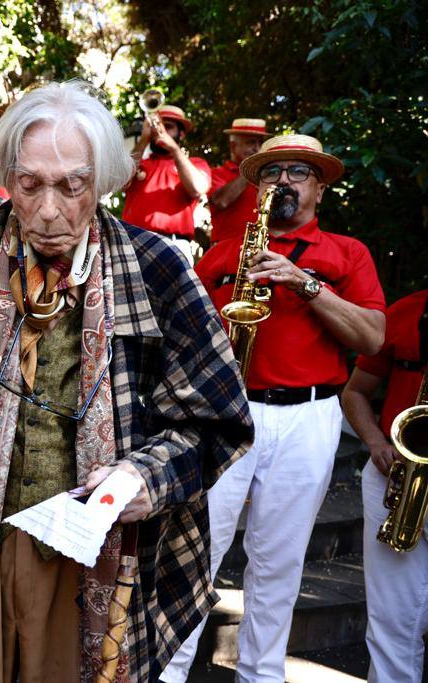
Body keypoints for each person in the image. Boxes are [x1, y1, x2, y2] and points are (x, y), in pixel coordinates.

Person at [0, 80, 253, 682]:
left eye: (71, 185)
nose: (50, 209)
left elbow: (219, 416)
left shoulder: (155, 267)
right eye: (29, 185)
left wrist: (149, 475)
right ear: (8, 176)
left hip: (100, 559)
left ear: (103, 180)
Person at [162, 134, 386, 683]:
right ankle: (166, 673)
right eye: (271, 173)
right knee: (192, 553)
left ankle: (260, 676)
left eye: (298, 173)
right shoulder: (219, 256)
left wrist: (304, 283)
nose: (282, 182)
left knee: (279, 564)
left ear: (320, 190)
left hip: (309, 416)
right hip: (225, 414)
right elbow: (181, 341)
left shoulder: (347, 253)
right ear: (256, 189)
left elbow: (374, 337)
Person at [341, 288, 428, 683]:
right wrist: (375, 441)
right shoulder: (406, 311)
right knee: (391, 618)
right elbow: (356, 391)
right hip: (397, 480)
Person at [122, 104, 211, 262]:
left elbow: (198, 188)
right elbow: (120, 181)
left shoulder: (195, 163)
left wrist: (174, 149)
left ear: (181, 134)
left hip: (174, 244)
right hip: (132, 244)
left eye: (168, 127)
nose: (160, 131)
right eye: (156, 126)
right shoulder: (139, 163)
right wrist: (143, 140)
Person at [208, 118, 272, 245]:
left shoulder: (266, 177)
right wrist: (250, 168)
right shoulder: (217, 173)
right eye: (251, 143)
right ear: (233, 146)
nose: (257, 149)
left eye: (260, 143)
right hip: (224, 249)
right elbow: (221, 201)